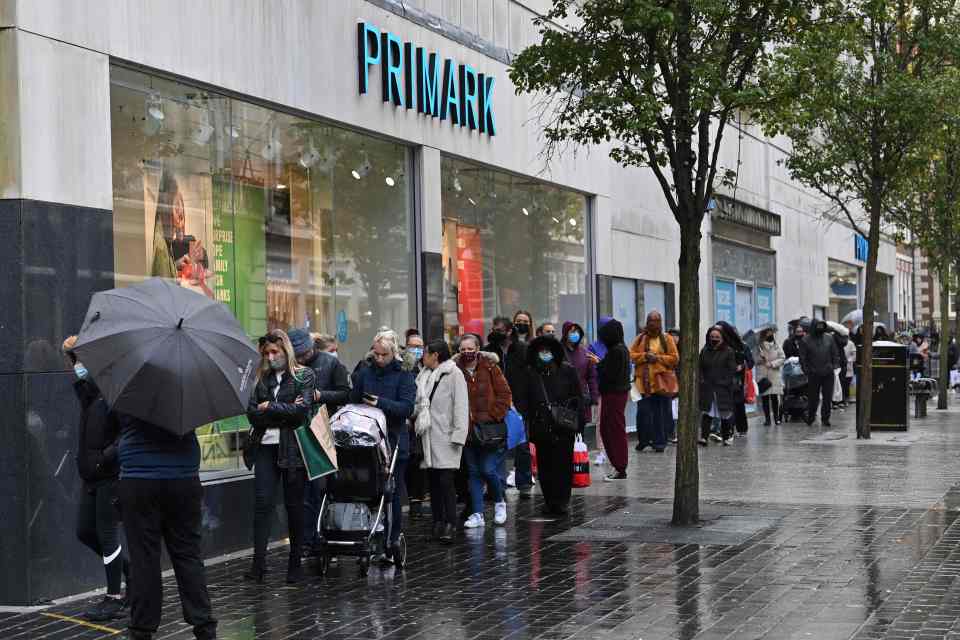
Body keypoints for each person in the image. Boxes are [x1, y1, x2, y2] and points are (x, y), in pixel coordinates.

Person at [117, 395, 217, 637]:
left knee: (144, 559)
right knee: (188, 556)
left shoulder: (129, 384)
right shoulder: (190, 385)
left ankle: (142, 628)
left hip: (139, 478)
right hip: (182, 477)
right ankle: (204, 626)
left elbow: (115, 421)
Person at [63, 336, 128, 623]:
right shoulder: (92, 392)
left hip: (108, 476)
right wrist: (73, 353)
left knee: (107, 533)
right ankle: (130, 573)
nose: (80, 368)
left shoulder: (117, 393)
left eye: (85, 362)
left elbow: (127, 435)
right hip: (90, 476)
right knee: (84, 532)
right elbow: (79, 382)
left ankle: (114, 597)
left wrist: (105, 457)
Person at [244, 330, 316, 584]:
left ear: (287, 351)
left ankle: (295, 565)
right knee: (262, 503)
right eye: (266, 353)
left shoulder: (304, 375)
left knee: (294, 506)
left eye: (275, 352)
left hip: (293, 448)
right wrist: (280, 410)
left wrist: (271, 407)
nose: (271, 357)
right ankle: (258, 564)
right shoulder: (261, 378)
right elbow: (252, 413)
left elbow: (301, 411)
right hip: (265, 445)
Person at [350, 328, 416, 559]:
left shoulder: (404, 375)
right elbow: (353, 399)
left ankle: (391, 538)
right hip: (366, 441)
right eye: (376, 354)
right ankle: (371, 534)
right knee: (368, 491)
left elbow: (407, 408)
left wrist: (380, 403)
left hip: (394, 440)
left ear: (393, 353)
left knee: (392, 493)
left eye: (384, 355)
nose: (379, 359)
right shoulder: (365, 373)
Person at [287, 329, 350, 555]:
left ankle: (319, 535)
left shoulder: (330, 364)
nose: (301, 358)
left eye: (304, 354)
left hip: (322, 431)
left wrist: (319, 395)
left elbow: (345, 394)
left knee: (319, 488)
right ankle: (305, 540)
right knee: (301, 492)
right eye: (297, 355)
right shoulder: (291, 365)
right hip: (296, 433)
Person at [512, 336, 583, 516]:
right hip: (541, 426)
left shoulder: (567, 370)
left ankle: (562, 501)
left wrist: (578, 422)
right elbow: (523, 399)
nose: (545, 354)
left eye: (548, 350)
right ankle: (550, 500)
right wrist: (527, 420)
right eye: (542, 351)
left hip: (564, 425)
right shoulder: (530, 372)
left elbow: (578, 397)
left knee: (563, 464)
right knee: (545, 465)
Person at [414, 340, 469, 543]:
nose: (423, 357)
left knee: (446, 481)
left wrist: (458, 436)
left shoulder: (454, 374)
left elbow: (461, 407)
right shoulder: (424, 376)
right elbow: (419, 404)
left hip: (446, 437)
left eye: (426, 353)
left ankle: (450, 524)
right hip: (428, 435)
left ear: (435, 355)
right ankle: (437, 522)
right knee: (434, 482)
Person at [456, 334, 513, 528]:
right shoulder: (456, 370)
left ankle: (499, 502)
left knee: (487, 469)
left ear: (478, 349)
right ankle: (478, 513)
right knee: (473, 472)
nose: (466, 353)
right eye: (462, 349)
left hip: (490, 430)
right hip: (468, 431)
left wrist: (494, 415)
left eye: (470, 348)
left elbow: (505, 394)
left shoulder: (490, 367)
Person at [483, 316, 532, 496]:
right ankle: (497, 486)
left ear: (509, 331)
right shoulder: (488, 351)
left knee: (522, 445)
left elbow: (529, 377)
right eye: (493, 328)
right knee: (496, 445)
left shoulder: (522, 350)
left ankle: (524, 482)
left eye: (499, 329)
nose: (495, 332)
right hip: (495, 405)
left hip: (519, 404)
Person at [630, 312, 679, 452]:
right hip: (643, 383)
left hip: (661, 382)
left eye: (656, 320)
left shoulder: (667, 338)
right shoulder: (640, 338)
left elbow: (675, 358)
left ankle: (659, 442)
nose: (653, 323)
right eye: (651, 320)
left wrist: (657, 358)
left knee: (660, 414)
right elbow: (631, 355)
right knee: (643, 413)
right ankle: (643, 440)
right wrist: (645, 356)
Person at [596, 319, 631, 481]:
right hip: (615, 394)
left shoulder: (616, 351)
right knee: (609, 428)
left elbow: (609, 373)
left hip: (613, 394)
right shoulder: (621, 349)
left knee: (612, 429)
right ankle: (618, 465)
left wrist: (598, 363)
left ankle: (619, 466)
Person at [402, 330, 429, 517]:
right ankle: (411, 498)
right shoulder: (403, 367)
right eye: (413, 346)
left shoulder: (425, 368)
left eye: (420, 347)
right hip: (407, 420)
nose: (417, 350)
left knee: (419, 461)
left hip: (422, 421)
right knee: (410, 461)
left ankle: (417, 499)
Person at [799, 319, 842, 427]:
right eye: (818, 326)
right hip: (814, 373)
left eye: (821, 326)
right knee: (813, 398)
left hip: (828, 372)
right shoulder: (805, 340)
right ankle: (811, 416)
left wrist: (834, 365)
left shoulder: (829, 338)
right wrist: (807, 370)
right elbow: (802, 358)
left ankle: (825, 418)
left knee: (827, 397)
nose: (820, 328)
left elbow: (835, 353)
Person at [699, 327, 738, 446]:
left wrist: (724, 382)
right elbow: (700, 366)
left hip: (722, 388)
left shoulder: (728, 351)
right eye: (712, 337)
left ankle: (726, 437)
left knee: (724, 413)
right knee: (707, 412)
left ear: (722, 338)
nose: (714, 339)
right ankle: (704, 437)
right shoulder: (705, 350)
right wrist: (702, 380)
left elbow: (731, 369)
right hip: (708, 387)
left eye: (717, 337)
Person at [715, 321, 753, 437]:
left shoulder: (742, 346)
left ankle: (741, 428)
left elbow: (750, 362)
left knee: (738, 404)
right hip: (722, 379)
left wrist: (742, 366)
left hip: (737, 380)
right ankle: (727, 430)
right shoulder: (719, 346)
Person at [561, 321, 599, 427]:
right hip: (564, 401)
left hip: (582, 400)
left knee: (581, 435)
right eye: (572, 331)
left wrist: (594, 398)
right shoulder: (559, 351)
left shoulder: (584, 352)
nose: (575, 334)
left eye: (577, 331)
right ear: (565, 333)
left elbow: (592, 377)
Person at [755, 328, 785, 426]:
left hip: (774, 374)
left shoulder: (777, 346)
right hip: (762, 374)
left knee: (774, 397)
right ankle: (767, 419)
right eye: (768, 333)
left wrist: (772, 364)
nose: (770, 334)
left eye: (771, 333)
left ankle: (776, 418)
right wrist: (760, 357)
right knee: (765, 398)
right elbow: (754, 360)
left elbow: (782, 358)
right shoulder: (759, 347)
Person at [842, 334, 857, 406]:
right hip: (840, 366)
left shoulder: (851, 343)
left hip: (848, 366)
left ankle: (846, 399)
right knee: (841, 384)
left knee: (847, 384)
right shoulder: (838, 343)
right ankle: (842, 399)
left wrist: (849, 360)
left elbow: (854, 354)